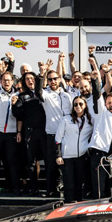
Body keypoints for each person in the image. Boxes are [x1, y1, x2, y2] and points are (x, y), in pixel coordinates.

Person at [0, 64, 21, 195]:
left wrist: (16, 104)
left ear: (12, 81)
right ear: (1, 81)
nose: (6, 82)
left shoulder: (17, 95)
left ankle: (15, 188)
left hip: (11, 133)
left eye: (9, 80)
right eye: (4, 80)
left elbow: (19, 115)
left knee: (11, 162)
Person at [13, 71, 47, 195]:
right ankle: (34, 187)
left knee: (48, 160)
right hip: (30, 132)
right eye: (27, 79)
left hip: (44, 131)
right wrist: (14, 105)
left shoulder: (44, 93)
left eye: (32, 78)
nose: (30, 81)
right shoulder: (22, 96)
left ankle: (50, 188)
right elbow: (18, 115)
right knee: (31, 161)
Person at [88, 90, 112, 199]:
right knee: (99, 186)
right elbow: (98, 98)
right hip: (100, 153)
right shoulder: (101, 113)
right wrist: (96, 80)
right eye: (109, 103)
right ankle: (97, 210)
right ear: (105, 104)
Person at [55, 96, 93, 203]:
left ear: (85, 105)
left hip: (82, 156)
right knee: (69, 183)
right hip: (67, 156)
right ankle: (68, 204)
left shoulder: (90, 121)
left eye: (81, 104)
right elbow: (58, 138)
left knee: (79, 183)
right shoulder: (66, 119)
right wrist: (58, 155)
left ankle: (78, 204)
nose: (78, 106)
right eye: (75, 104)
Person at [41, 68, 72, 197]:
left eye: (55, 79)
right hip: (51, 134)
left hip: (66, 135)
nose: (53, 81)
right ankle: (50, 191)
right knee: (51, 165)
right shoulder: (45, 94)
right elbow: (38, 90)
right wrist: (43, 73)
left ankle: (64, 190)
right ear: (47, 81)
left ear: (60, 79)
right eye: (50, 79)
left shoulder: (66, 95)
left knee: (65, 165)